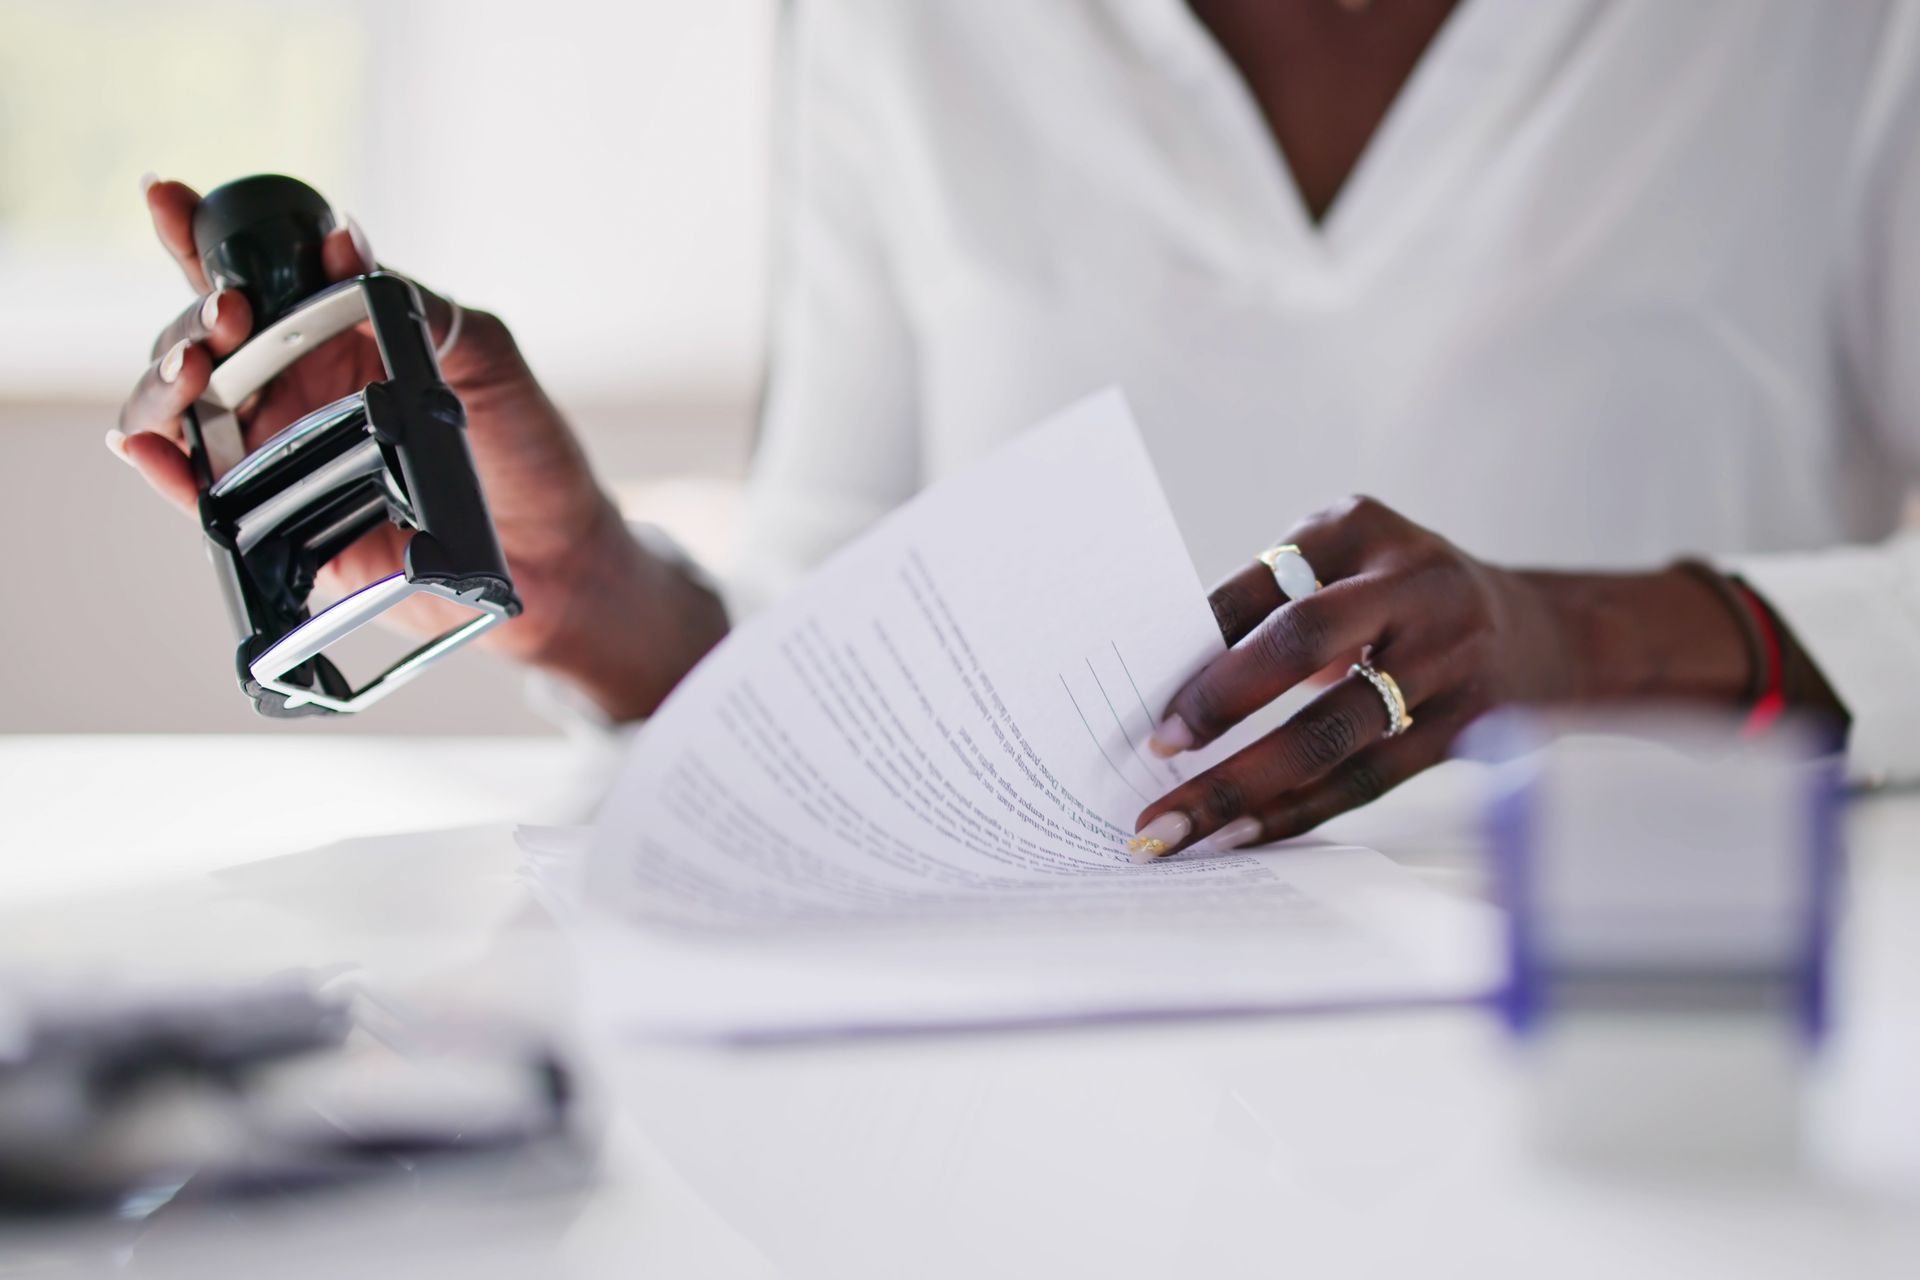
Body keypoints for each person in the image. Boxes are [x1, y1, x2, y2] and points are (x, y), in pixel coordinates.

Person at [109, 0, 1920, 859]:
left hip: (1684, 1031)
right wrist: (580, 583)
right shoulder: (905, 27)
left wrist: (1578, 638)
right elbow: (836, 605)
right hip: (1070, 1068)